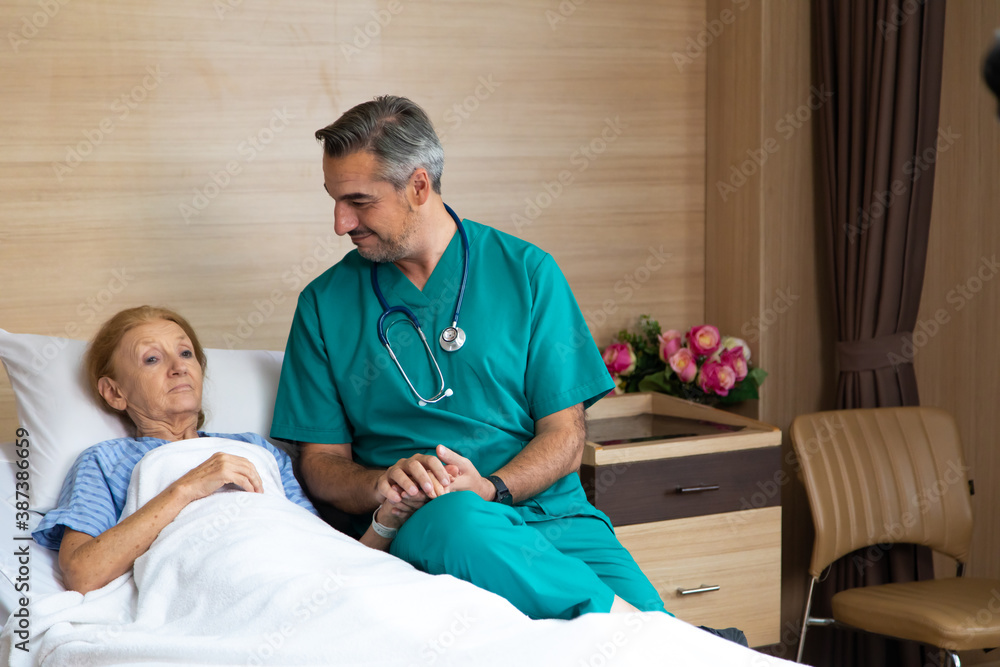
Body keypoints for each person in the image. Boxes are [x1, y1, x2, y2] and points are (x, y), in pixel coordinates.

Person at [269, 95, 667, 621]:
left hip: (553, 515)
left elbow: (566, 439)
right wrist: (382, 483)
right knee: (458, 517)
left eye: (359, 202)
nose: (341, 223)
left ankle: (642, 628)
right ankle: (626, 629)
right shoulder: (324, 304)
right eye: (335, 199)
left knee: (653, 613)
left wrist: (492, 487)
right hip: (430, 517)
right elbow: (319, 463)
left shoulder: (528, 273)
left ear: (418, 186)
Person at [34, 306, 426, 594]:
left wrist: (387, 520)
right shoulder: (105, 461)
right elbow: (82, 574)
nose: (178, 367)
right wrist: (187, 487)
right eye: (152, 359)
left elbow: (325, 553)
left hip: (297, 585)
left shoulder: (257, 450)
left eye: (186, 353)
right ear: (114, 392)